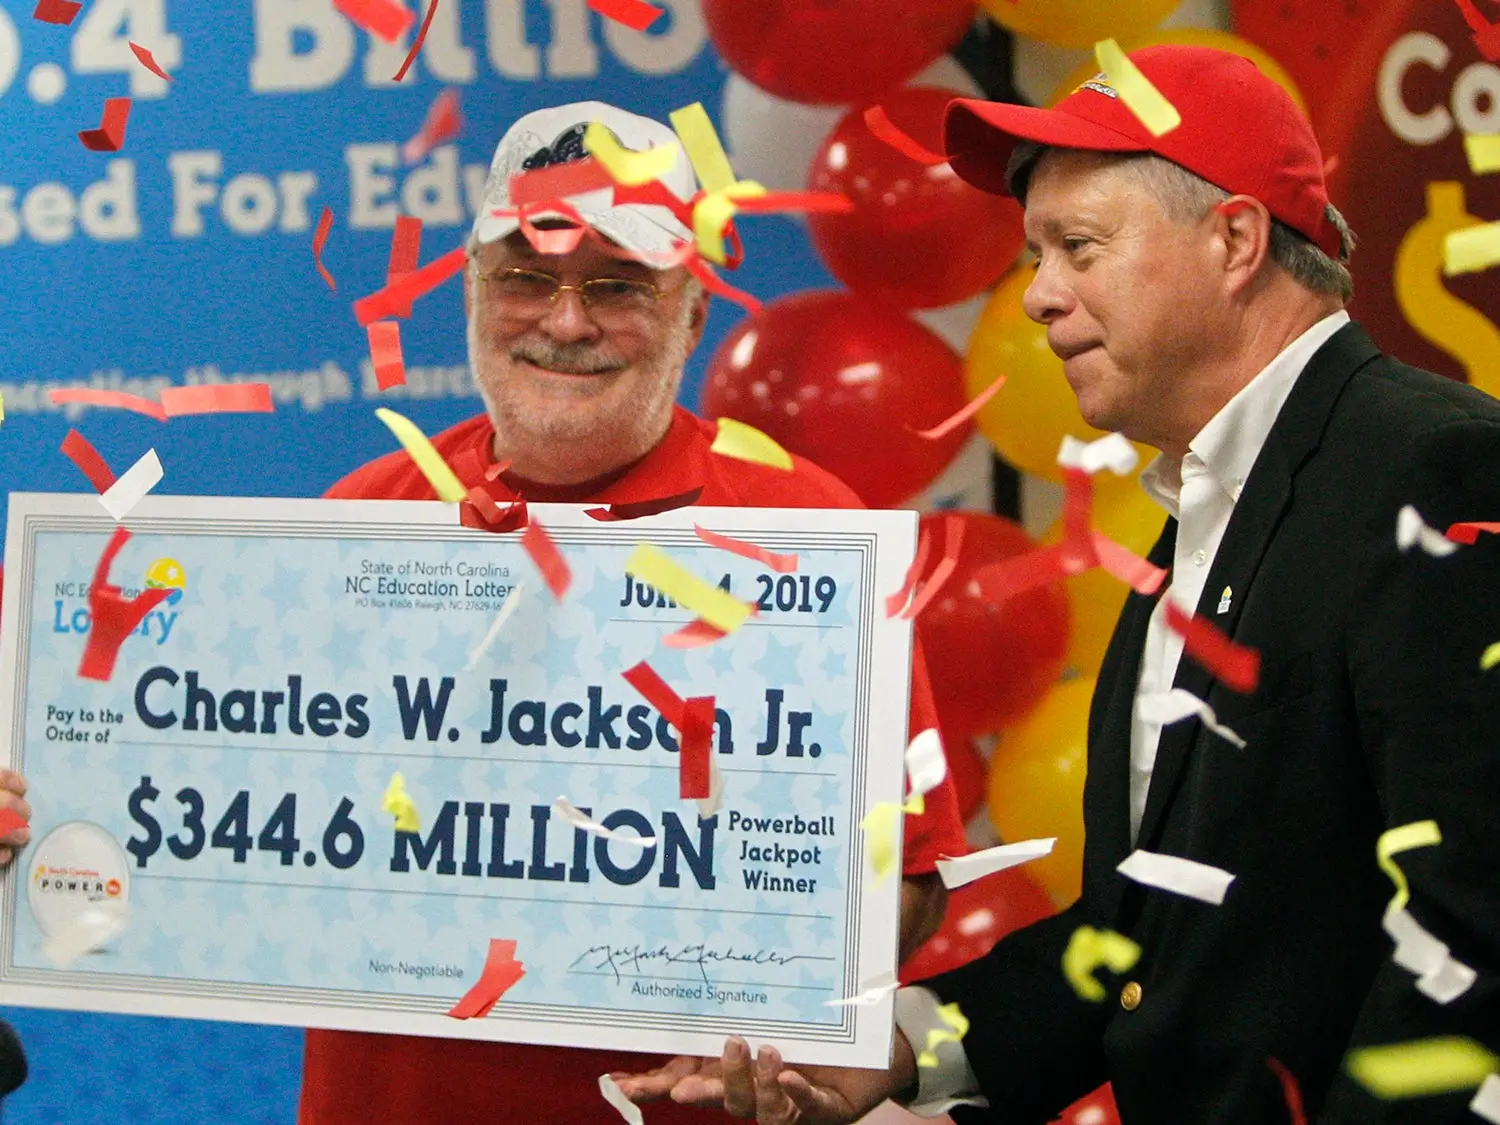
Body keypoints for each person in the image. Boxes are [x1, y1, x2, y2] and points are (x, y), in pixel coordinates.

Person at [615, 45, 1500, 1124]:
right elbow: (1140, 939)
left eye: (1078, 247)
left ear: (1234, 240)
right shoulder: (1202, 522)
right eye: (1037, 254)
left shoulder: (1438, 464)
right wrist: (889, 1048)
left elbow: (1477, 926)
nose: (1036, 298)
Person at [294, 101, 967, 1124]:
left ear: (694, 314)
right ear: (472, 295)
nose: (566, 322)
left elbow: (913, 877)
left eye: (617, 286)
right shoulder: (358, 522)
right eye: (526, 276)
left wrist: (778, 968)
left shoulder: (812, 534)